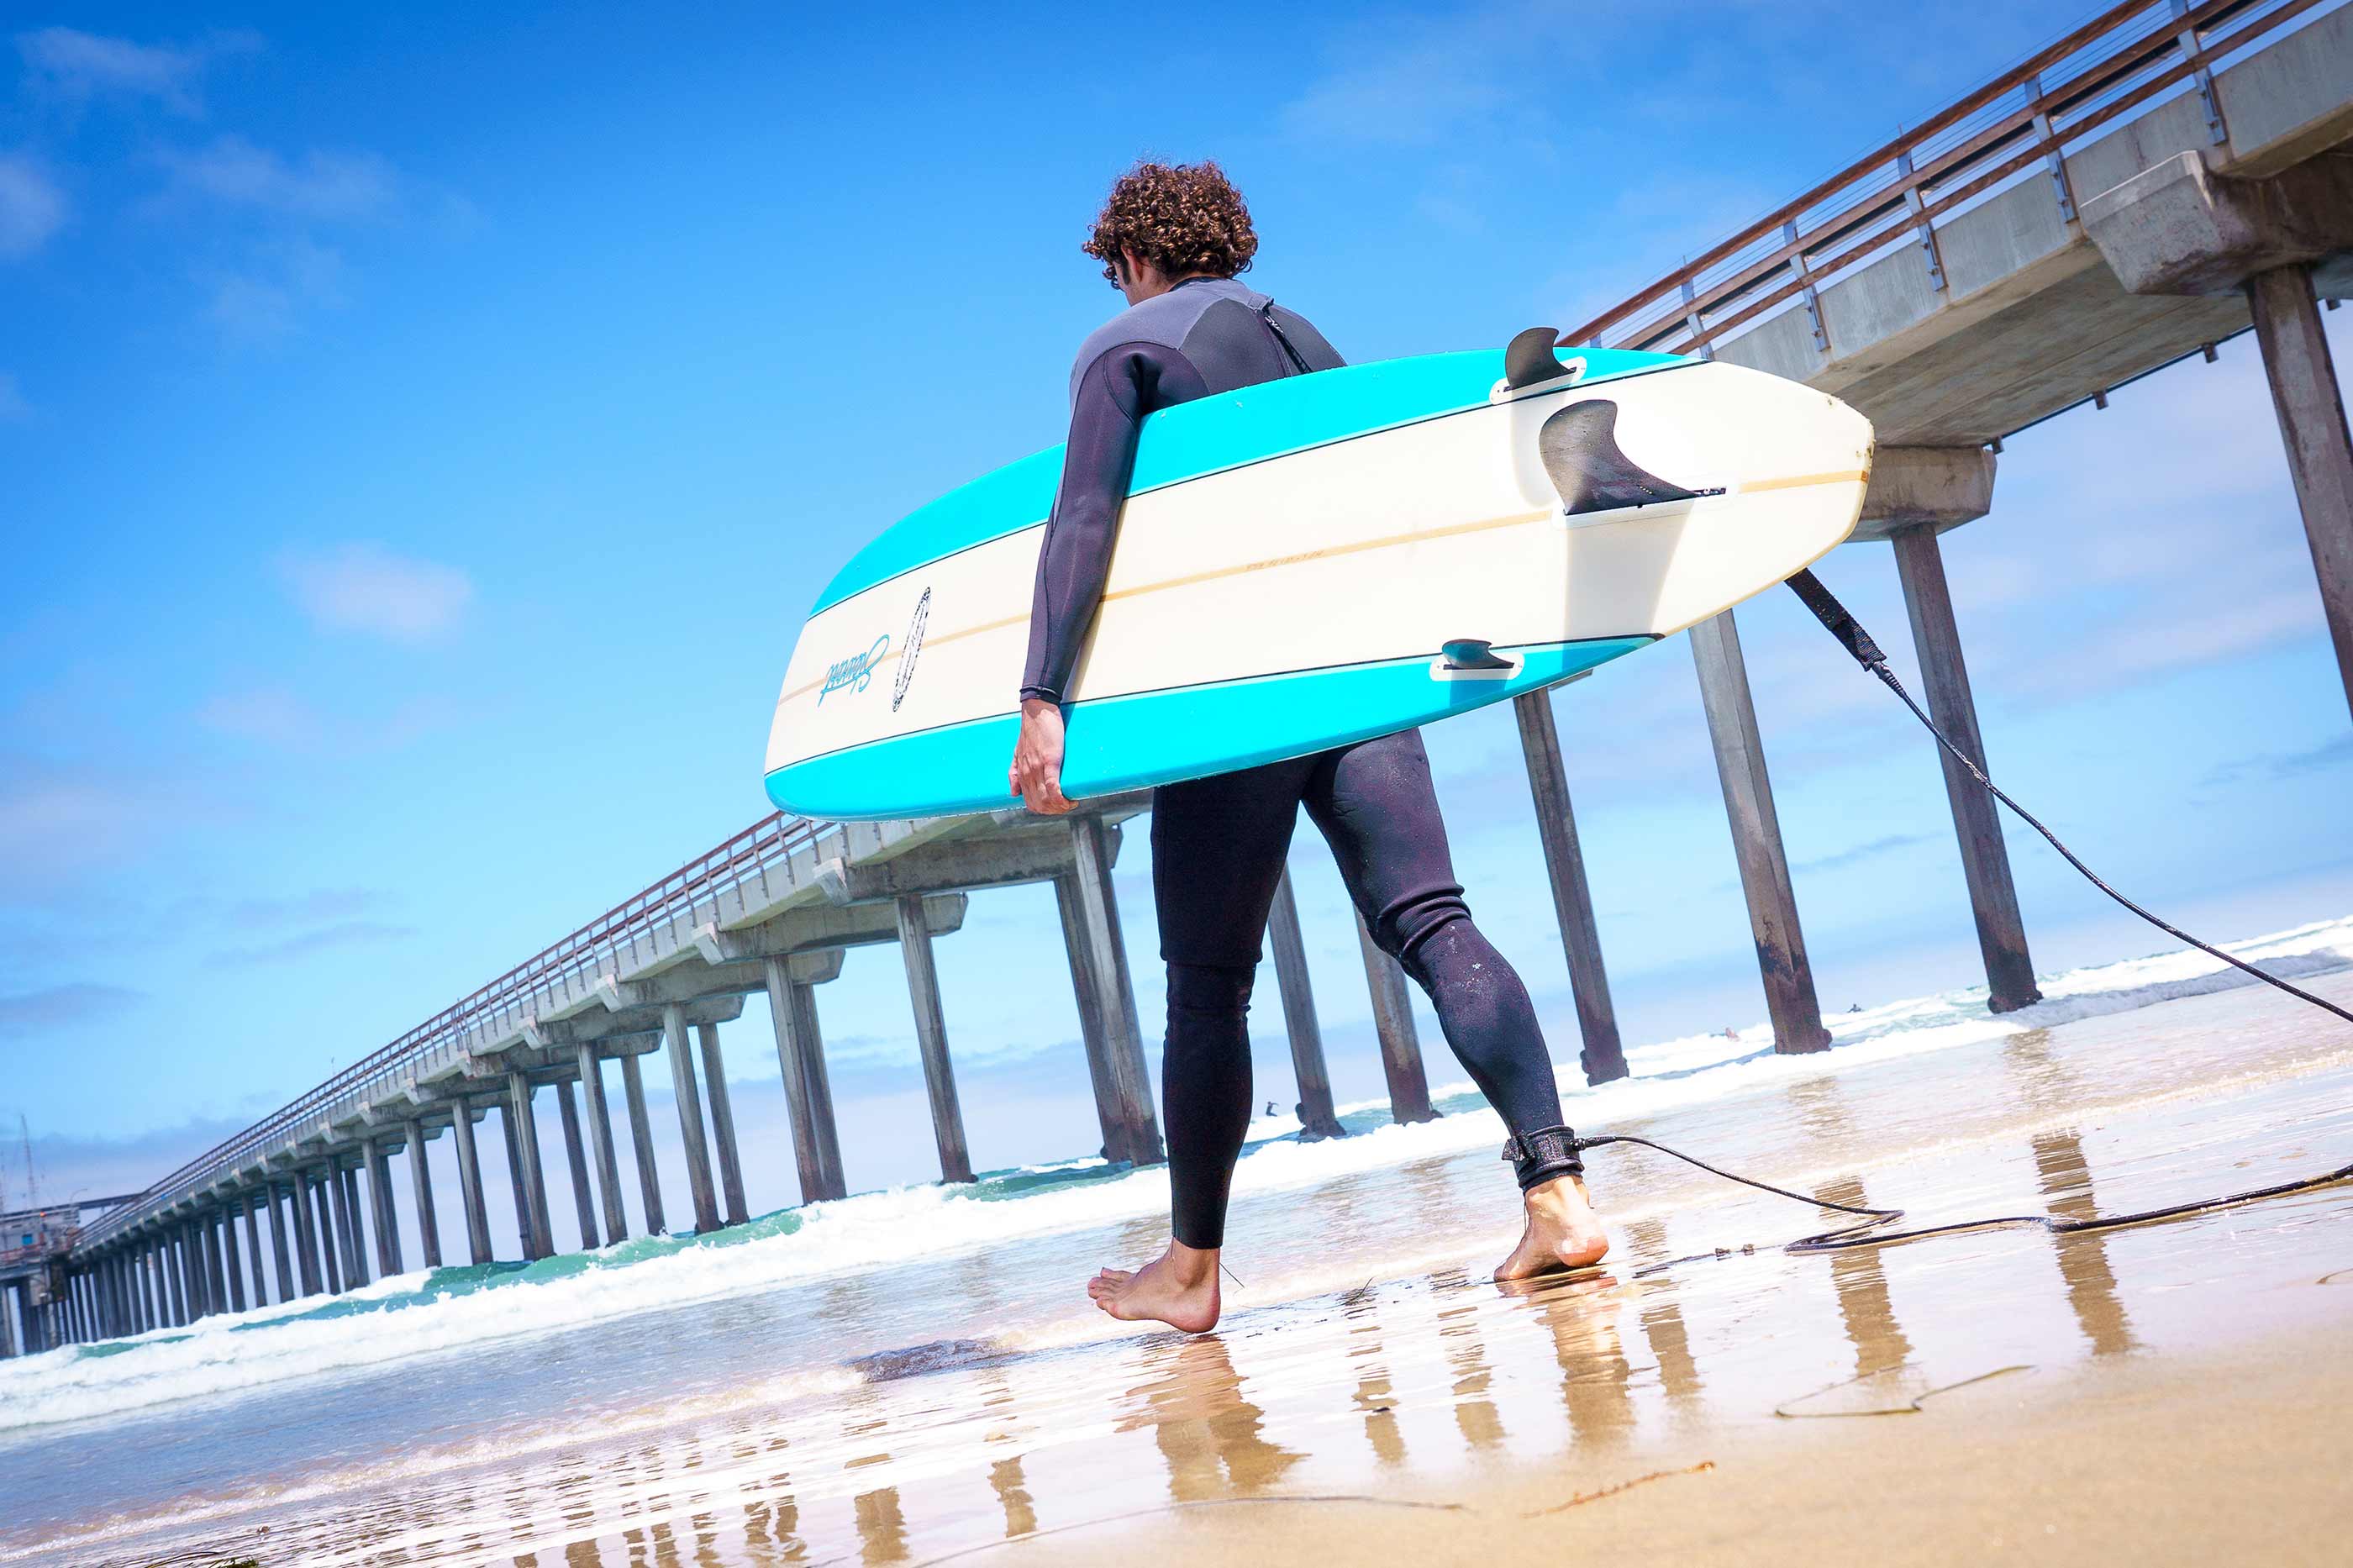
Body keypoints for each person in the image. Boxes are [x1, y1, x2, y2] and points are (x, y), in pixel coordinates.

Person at [1008, 161, 1608, 1333]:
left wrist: (1044, 694)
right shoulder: (1311, 344)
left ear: (1132, 257)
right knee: (1434, 921)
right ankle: (1559, 1193)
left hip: (1239, 690)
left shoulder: (1122, 348)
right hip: (1357, 670)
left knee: (1208, 989)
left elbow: (1084, 516)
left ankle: (1191, 1271)